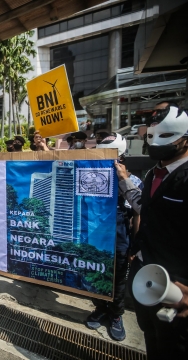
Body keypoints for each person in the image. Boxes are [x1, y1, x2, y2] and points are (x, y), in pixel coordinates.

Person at [124, 103, 188, 359]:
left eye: (165, 137)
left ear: (184, 140)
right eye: (151, 137)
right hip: (146, 277)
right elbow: (148, 211)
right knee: (151, 337)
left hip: (177, 287)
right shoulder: (154, 173)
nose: (155, 144)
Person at [86, 133, 136, 341]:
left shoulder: (133, 181)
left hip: (119, 237)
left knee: (117, 279)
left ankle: (116, 315)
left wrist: (135, 243)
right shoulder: (92, 175)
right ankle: (100, 308)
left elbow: (138, 213)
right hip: (95, 235)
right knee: (94, 274)